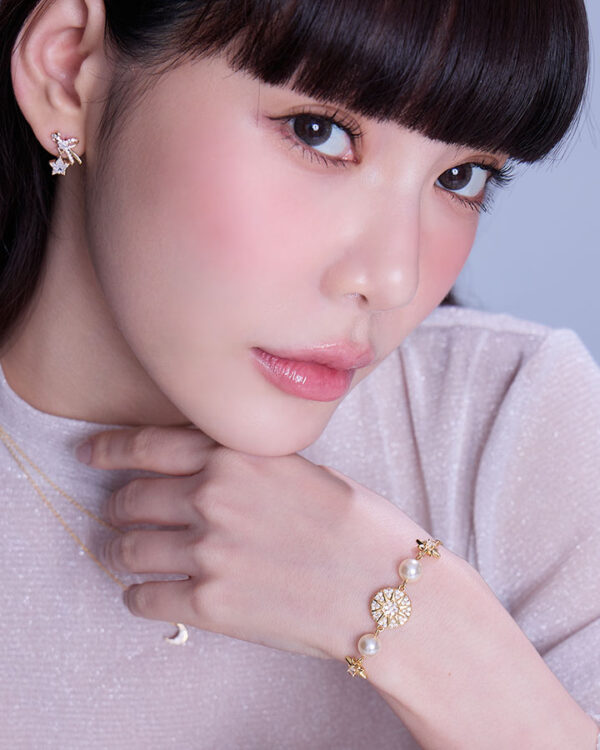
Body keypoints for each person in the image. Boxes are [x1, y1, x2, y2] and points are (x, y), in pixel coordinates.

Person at [0, 0, 598, 747]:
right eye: (319, 132)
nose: (394, 277)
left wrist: (415, 619)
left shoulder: (509, 431)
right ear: (67, 72)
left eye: (462, 176)